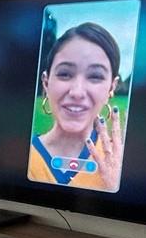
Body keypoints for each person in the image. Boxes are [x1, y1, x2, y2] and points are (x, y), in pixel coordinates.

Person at [28, 21, 125, 192]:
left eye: (95, 76)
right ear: (46, 82)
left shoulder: (121, 162)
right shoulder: (21, 155)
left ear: (111, 87)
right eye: (65, 74)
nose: (77, 92)